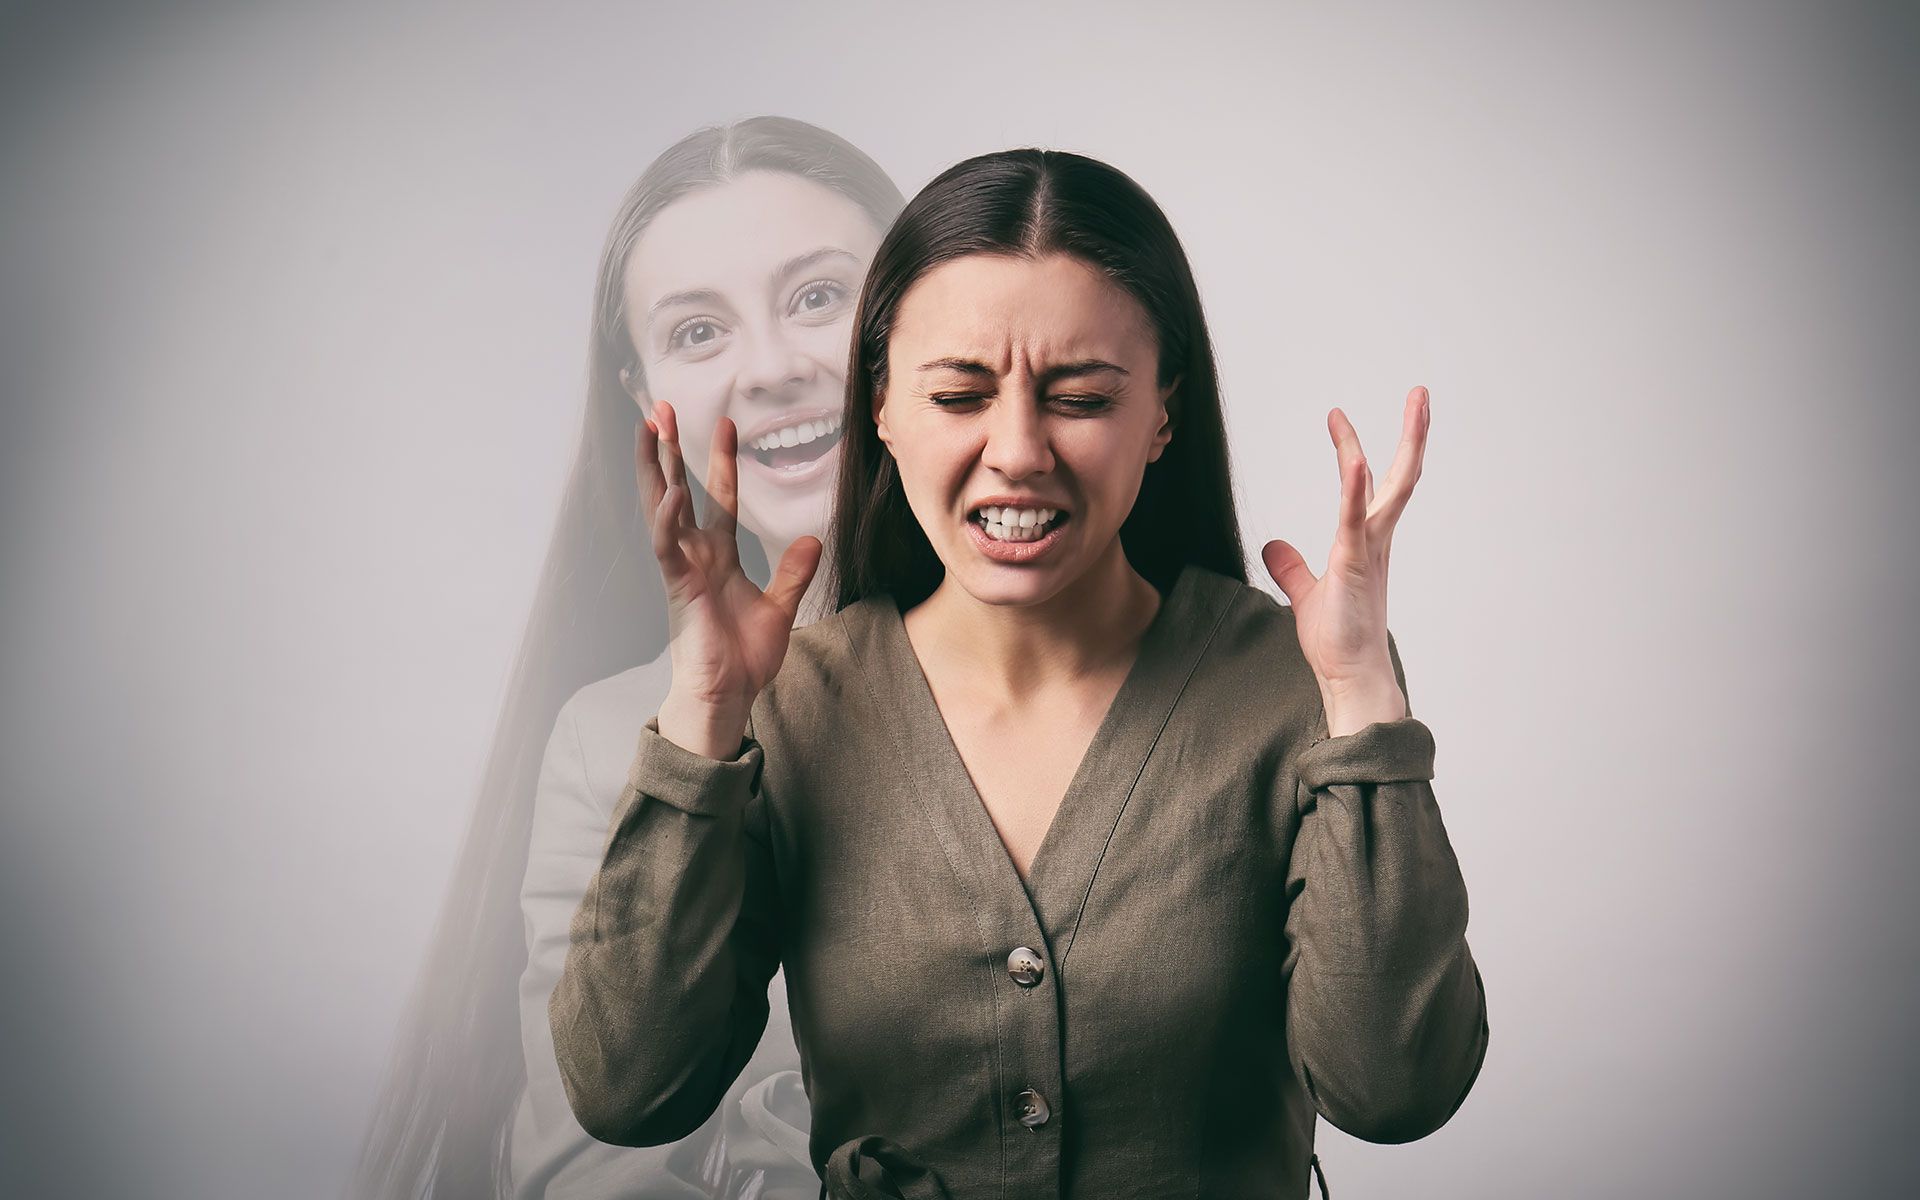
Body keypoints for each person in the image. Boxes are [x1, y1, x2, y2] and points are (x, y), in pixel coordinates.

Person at [549, 148, 1490, 1199]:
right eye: (958, 395)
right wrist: (704, 718)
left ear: (1162, 414)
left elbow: (1395, 1091)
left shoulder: (1292, 684)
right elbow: (629, 1090)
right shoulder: (792, 708)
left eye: (1080, 398)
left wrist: (1361, 699)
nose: (1017, 451)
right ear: (883, 410)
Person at [348, 116, 904, 1200]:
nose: (775, 369)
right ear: (640, 394)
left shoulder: (1161, 663)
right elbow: (596, 1173)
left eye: (819, 297)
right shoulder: (620, 744)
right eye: (699, 332)